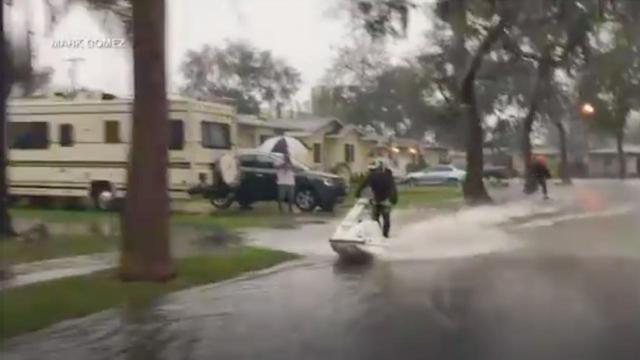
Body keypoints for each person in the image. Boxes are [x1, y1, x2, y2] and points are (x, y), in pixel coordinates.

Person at [355, 159, 398, 238]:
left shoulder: (371, 175)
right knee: (385, 218)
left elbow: (363, 184)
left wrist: (357, 194)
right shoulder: (388, 175)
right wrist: (394, 199)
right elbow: (393, 188)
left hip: (378, 199)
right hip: (385, 200)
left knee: (375, 218)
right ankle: (385, 235)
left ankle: (378, 234)